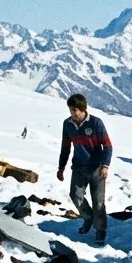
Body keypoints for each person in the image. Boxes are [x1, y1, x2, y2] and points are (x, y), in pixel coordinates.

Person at [56, 94, 113, 245]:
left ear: (83, 109)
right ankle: (88, 218)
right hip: (79, 168)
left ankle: (100, 230)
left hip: (97, 169)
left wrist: (105, 165)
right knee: (75, 195)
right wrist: (61, 168)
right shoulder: (67, 124)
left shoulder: (95, 123)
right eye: (70, 109)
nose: (72, 113)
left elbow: (107, 145)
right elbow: (65, 148)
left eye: (75, 110)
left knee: (98, 202)